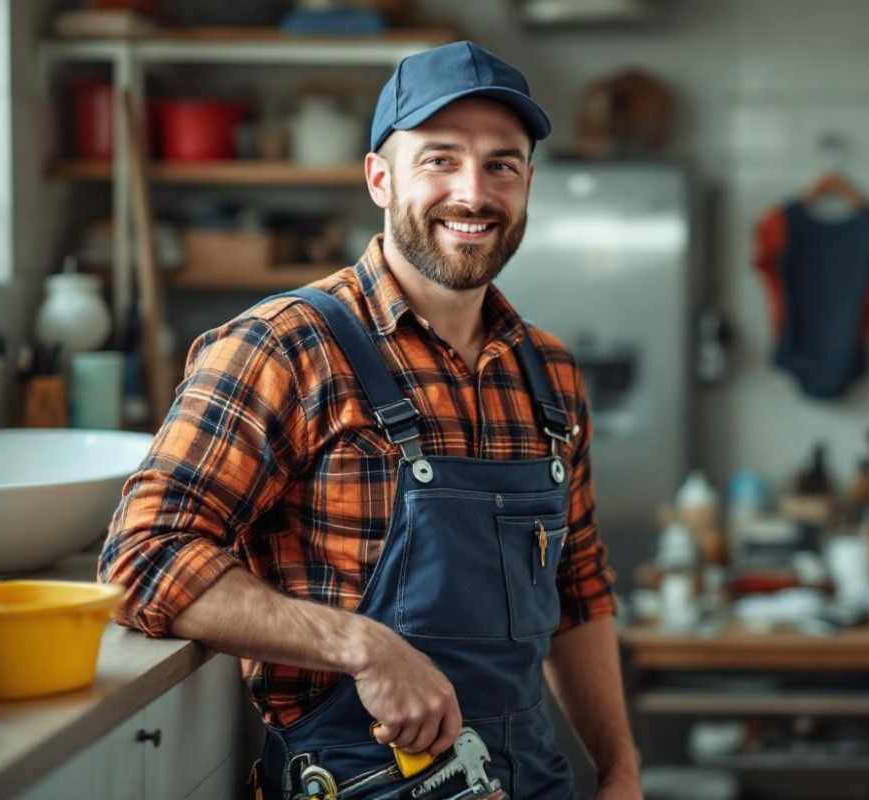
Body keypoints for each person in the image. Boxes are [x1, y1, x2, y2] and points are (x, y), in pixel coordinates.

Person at [99, 41, 642, 800]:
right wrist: (361, 646)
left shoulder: (547, 374)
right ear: (379, 178)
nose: (473, 192)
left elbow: (579, 589)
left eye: (502, 165)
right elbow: (142, 559)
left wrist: (620, 770)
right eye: (440, 160)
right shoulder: (285, 345)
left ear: (527, 185)